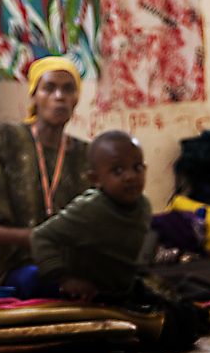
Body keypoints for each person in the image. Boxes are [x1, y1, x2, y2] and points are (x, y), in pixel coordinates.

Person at [0, 56, 96, 287]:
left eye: (68, 89)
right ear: (34, 95)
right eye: (49, 88)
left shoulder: (87, 154)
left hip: (70, 264)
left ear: (76, 98)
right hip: (13, 265)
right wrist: (31, 239)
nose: (59, 96)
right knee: (41, 279)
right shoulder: (5, 139)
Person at [30, 129, 153, 301]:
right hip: (83, 294)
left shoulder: (143, 206)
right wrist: (64, 278)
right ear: (95, 179)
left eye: (137, 168)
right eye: (118, 171)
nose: (130, 176)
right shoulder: (90, 209)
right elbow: (40, 236)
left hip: (119, 290)